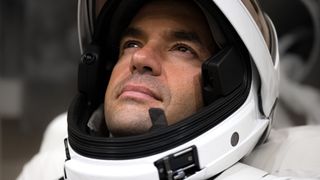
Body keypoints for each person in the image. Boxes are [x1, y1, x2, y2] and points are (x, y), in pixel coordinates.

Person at [17, 0, 320, 179]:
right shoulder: (45, 169)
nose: (140, 58)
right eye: (131, 43)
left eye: (181, 48)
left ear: (222, 83)